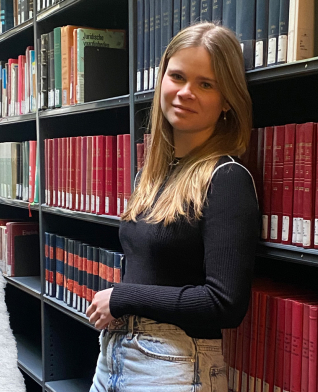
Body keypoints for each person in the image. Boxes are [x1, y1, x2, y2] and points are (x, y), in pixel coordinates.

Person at [86, 22, 260, 392]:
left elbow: (225, 303)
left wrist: (123, 297)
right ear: (162, 79)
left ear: (227, 100)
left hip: (176, 366)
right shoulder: (149, 177)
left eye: (205, 84)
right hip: (115, 356)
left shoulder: (226, 179)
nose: (185, 93)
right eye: (177, 76)